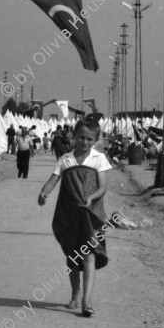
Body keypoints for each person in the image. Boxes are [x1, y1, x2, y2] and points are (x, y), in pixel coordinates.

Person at [38, 118, 112, 317]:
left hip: (91, 215)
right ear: (73, 136)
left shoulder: (99, 159)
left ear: (95, 140)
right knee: (72, 256)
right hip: (70, 215)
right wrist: (44, 193)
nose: (84, 142)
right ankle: (75, 292)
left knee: (89, 255)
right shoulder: (65, 159)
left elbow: (103, 187)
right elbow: (53, 180)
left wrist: (91, 197)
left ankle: (86, 300)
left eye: (89, 139)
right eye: (81, 137)